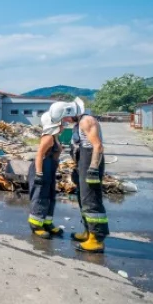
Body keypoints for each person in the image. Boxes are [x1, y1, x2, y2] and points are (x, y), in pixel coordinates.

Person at [49, 97, 108, 252]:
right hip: (83, 161)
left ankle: (96, 239)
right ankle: (88, 232)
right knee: (83, 199)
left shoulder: (86, 121)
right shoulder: (78, 123)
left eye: (65, 118)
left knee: (91, 200)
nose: (65, 121)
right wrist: (76, 167)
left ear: (70, 112)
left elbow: (98, 146)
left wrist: (93, 168)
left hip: (90, 162)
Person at [28, 112, 65, 239]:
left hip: (49, 167)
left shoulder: (55, 137)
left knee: (50, 196)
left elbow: (54, 154)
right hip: (41, 167)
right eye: (61, 123)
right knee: (40, 196)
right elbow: (39, 155)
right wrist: (39, 174)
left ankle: (47, 223)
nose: (63, 125)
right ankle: (36, 225)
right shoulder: (48, 137)